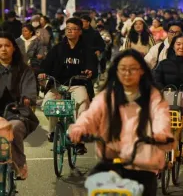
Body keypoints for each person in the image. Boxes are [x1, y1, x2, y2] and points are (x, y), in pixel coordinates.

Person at [68, 49, 173, 196]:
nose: (127, 73)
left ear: (142, 71)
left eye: (132, 69)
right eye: (123, 69)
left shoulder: (153, 96)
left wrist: (161, 134)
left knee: (146, 188)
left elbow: (161, 117)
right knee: (92, 184)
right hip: (111, 158)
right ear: (116, 71)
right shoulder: (107, 96)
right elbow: (90, 115)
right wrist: (79, 128)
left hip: (142, 163)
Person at [39, 17, 97, 154]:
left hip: (78, 84)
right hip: (58, 85)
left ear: (80, 32)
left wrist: (90, 71)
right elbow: (46, 64)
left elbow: (92, 65)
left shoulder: (86, 49)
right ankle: (53, 131)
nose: (70, 31)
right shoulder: (58, 48)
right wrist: (42, 73)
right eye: (68, 29)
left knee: (83, 106)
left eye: (74, 29)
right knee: (48, 105)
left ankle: (79, 141)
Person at [0, 32, 39, 180]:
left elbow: (29, 90)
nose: (3, 49)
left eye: (7, 46)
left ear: (14, 48)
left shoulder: (24, 69)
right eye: (0, 46)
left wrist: (27, 98)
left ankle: (20, 165)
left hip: (17, 113)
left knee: (13, 128)